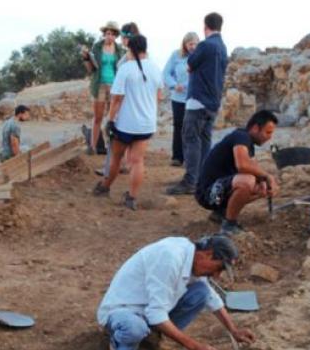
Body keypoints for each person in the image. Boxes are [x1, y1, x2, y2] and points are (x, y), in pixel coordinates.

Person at [97, 235, 255, 350]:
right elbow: (156, 314)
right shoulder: (170, 258)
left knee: (202, 292)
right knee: (134, 329)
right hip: (124, 311)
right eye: (218, 268)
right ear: (208, 254)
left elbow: (211, 298)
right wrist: (194, 346)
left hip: (149, 310)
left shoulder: (192, 257)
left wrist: (234, 330)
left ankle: (152, 339)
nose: (217, 275)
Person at [92, 35, 162, 210]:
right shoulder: (155, 68)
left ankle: (105, 187)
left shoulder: (126, 69)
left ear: (130, 49)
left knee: (116, 158)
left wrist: (110, 120)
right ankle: (131, 198)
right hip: (146, 124)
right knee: (137, 161)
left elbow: (116, 99)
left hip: (126, 124)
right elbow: (158, 96)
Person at [167, 12, 228, 195]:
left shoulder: (205, 45)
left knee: (190, 138)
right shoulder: (223, 47)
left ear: (205, 27)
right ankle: (202, 178)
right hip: (213, 102)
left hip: (198, 100)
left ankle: (190, 181)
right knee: (204, 140)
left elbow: (189, 65)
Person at [196, 110, 280, 235]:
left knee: (262, 187)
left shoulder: (248, 143)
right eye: (267, 132)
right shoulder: (241, 136)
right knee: (247, 181)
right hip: (207, 194)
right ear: (256, 128)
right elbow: (243, 166)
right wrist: (268, 176)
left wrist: (264, 181)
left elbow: (251, 168)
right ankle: (229, 224)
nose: (269, 137)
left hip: (217, 193)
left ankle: (221, 213)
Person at [97, 22, 141, 177]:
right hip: (131, 101)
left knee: (110, 130)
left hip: (123, 100)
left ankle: (111, 167)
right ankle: (123, 164)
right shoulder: (135, 55)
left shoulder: (130, 57)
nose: (121, 40)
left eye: (122, 37)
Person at [81, 21, 125, 155]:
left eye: (112, 34)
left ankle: (111, 147)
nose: (109, 36)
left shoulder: (119, 50)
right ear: (104, 34)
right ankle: (92, 146)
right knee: (98, 116)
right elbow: (90, 69)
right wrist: (86, 59)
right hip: (100, 84)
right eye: (107, 33)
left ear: (116, 36)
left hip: (114, 86)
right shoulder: (97, 47)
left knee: (113, 117)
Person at [163, 32, 200, 167]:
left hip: (194, 98)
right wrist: (173, 85)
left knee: (191, 128)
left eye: (195, 44)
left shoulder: (200, 56)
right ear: (185, 44)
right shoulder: (176, 56)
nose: (193, 47)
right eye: (190, 44)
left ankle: (191, 158)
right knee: (179, 126)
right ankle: (177, 157)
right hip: (178, 98)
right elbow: (166, 73)